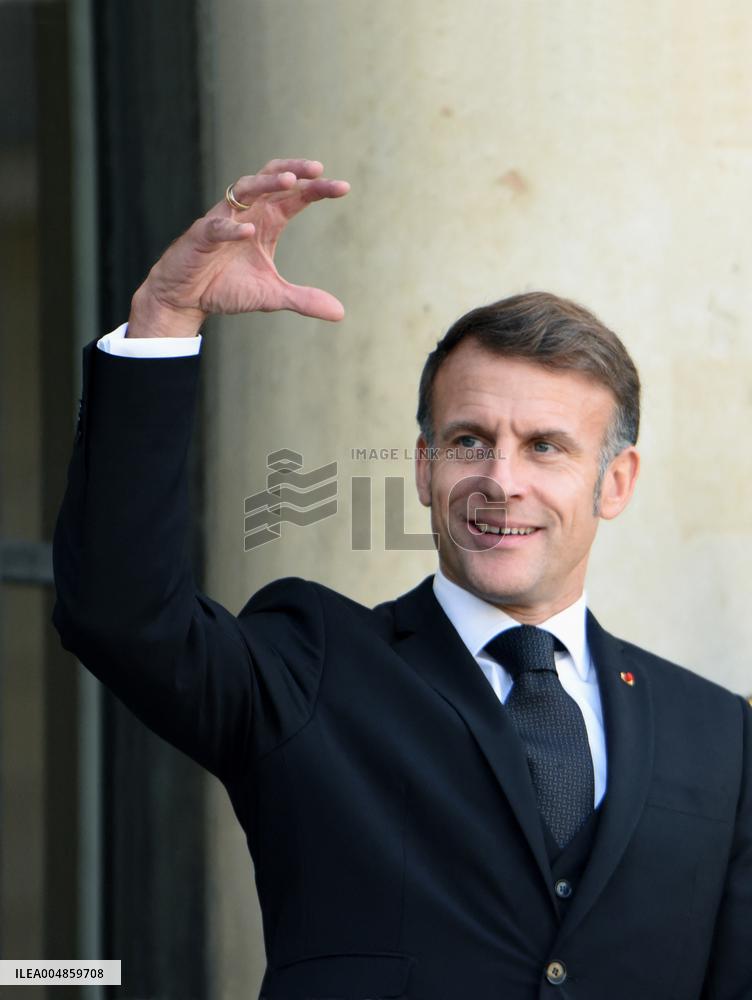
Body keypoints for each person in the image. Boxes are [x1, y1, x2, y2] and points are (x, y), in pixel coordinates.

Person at [52, 159, 752, 1000]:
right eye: (468, 441)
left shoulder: (720, 735)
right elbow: (120, 611)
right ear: (424, 467)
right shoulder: (312, 666)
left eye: (545, 447)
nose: (500, 481)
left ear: (616, 482)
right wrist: (166, 316)